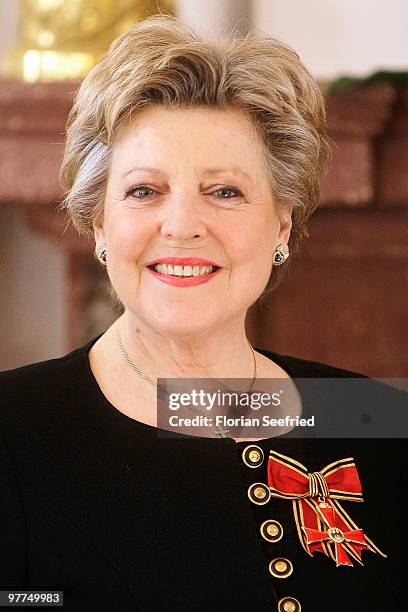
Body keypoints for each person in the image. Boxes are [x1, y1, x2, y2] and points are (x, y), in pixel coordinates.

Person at [1, 14, 406, 612]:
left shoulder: (376, 417)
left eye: (226, 192)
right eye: (144, 190)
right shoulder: (11, 431)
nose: (184, 226)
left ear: (282, 224)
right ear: (98, 223)